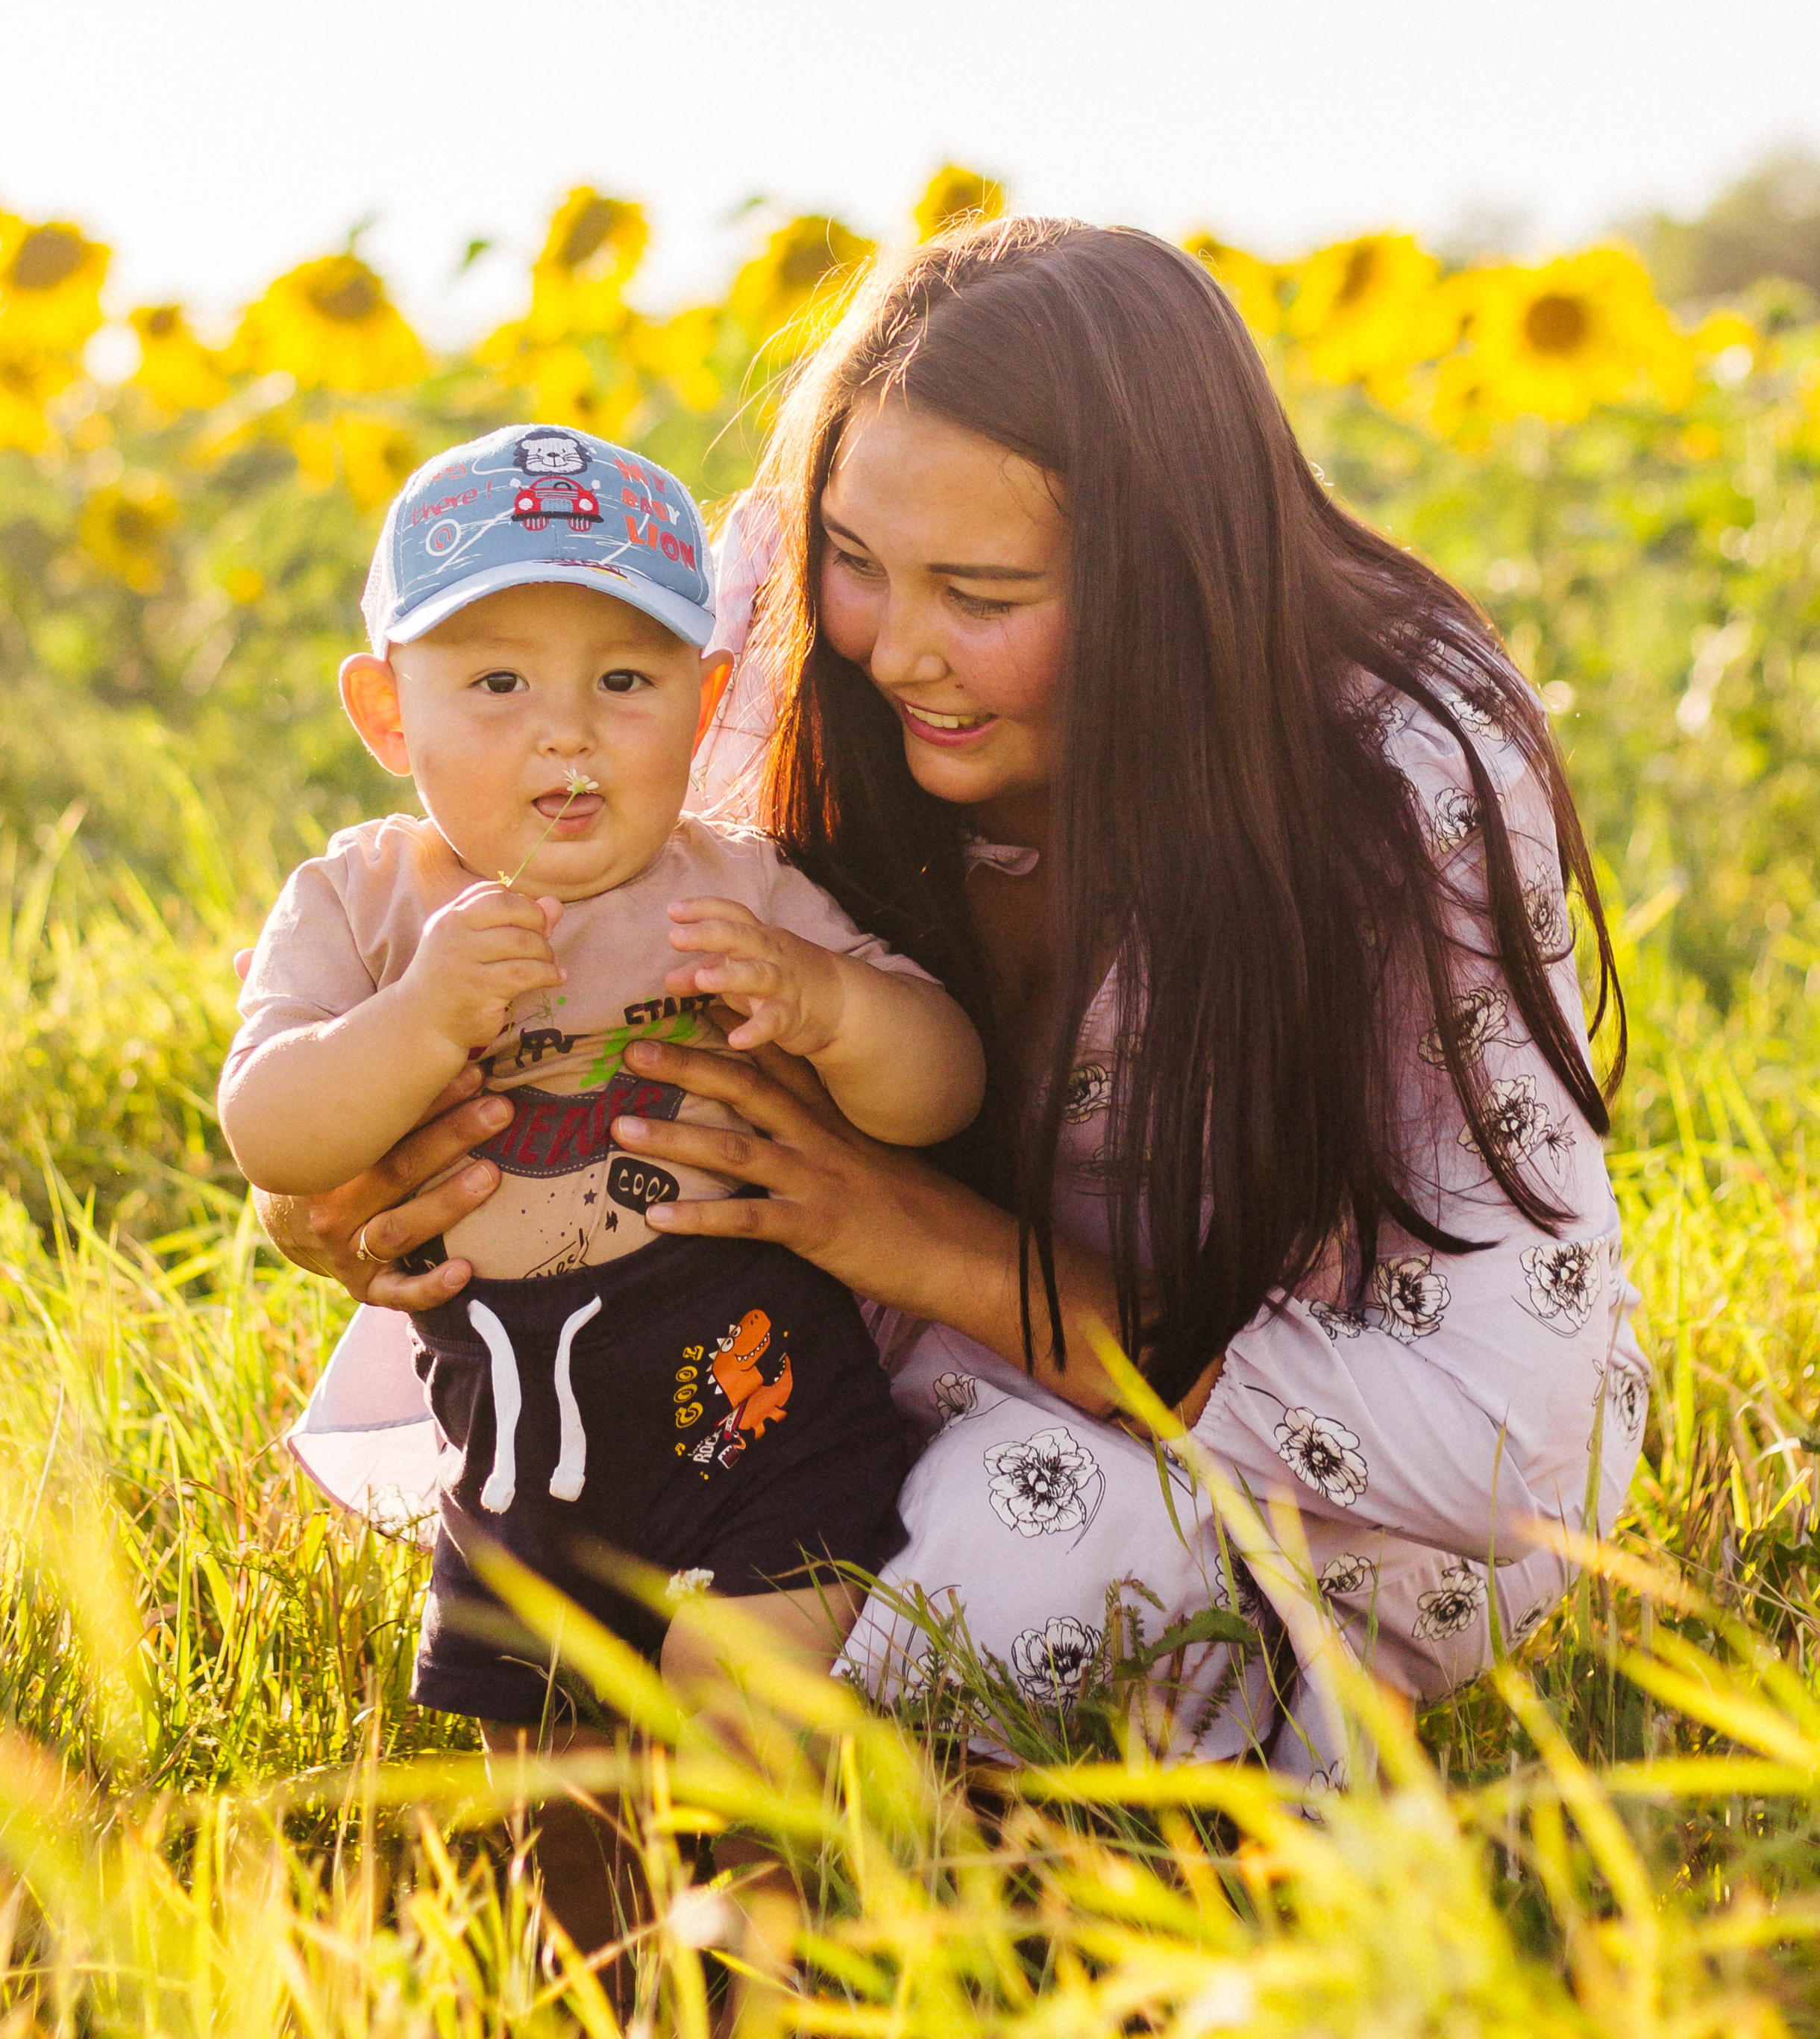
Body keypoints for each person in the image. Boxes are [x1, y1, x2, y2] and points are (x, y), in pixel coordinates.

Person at [256, 222, 1648, 1781]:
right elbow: (499, 872)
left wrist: (910, 1237)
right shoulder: (755, 635)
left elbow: (1507, 1452)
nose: (893, 648)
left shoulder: (1395, 774)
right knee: (682, 1600)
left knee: (1003, 1572)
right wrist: (354, 1173)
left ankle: (1110, 1805)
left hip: (1286, 1449)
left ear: (1169, 585)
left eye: (981, 592)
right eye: (850, 560)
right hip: (802, 1369)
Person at [220, 422, 983, 1739]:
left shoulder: (735, 882)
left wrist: (832, 1002)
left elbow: (943, 1090)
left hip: (762, 1408)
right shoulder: (363, 905)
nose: (565, 732)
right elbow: (273, 1132)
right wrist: (420, 1017)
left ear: (707, 695)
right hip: (521, 1450)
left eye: (627, 679)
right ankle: (608, 1941)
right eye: (499, 683)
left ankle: (760, 1932)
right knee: (554, 1790)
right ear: (388, 714)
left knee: (739, 1713)